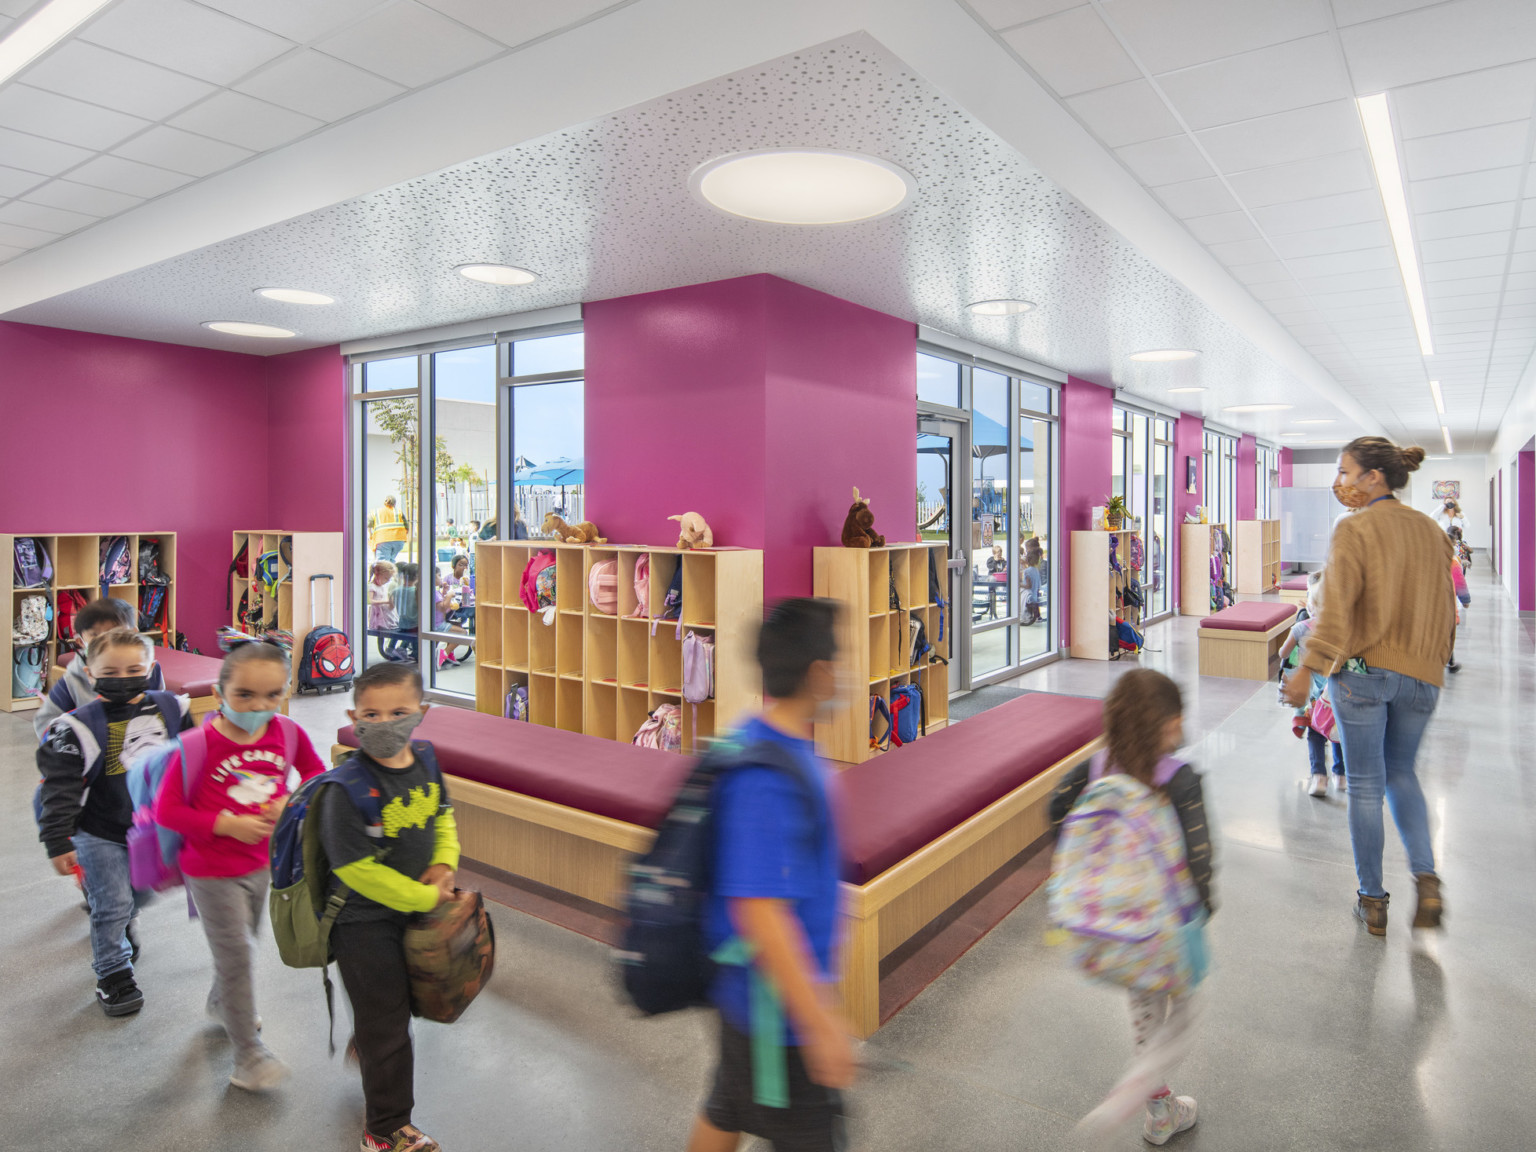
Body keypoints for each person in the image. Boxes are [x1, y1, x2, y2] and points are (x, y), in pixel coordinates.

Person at [688, 598, 853, 1152]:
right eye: (838, 659)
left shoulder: (776, 747)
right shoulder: (767, 773)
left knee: (725, 1109)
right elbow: (759, 910)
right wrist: (819, 1022)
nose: (844, 671)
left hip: (756, 1003)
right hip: (777, 1018)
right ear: (818, 674)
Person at [1283, 437, 1453, 937]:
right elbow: (1447, 609)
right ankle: (1426, 877)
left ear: (1373, 476)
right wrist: (1435, 660)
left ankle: (1372, 900)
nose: (1340, 482)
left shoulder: (1353, 529)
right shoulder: (1431, 530)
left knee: (1364, 786)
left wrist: (1305, 669)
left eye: (1344, 471)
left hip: (1361, 674)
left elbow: (1334, 612)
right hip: (1422, 675)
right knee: (1403, 774)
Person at [152, 641, 326, 1091]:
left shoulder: (287, 733)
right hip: (209, 869)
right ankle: (248, 1056)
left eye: (272, 694)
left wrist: (291, 799)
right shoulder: (196, 745)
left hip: (261, 865)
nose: (259, 706)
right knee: (240, 956)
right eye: (245, 695)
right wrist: (225, 823)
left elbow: (315, 775)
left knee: (239, 947)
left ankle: (220, 1001)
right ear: (219, 691)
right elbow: (167, 811)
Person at [1050, 669, 1212, 1147]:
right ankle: (1137, 1089)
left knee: (1145, 1011)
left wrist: (1088, 879)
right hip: (1169, 928)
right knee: (1184, 1017)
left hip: (1118, 930)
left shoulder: (1096, 769)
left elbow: (1056, 812)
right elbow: (1201, 858)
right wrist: (1201, 913)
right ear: (1167, 725)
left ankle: (1158, 1110)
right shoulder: (1178, 779)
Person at [324, 661, 460, 1152]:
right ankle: (385, 1130)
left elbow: (444, 817)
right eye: (371, 715)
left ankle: (371, 1032)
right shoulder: (346, 787)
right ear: (353, 716)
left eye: (398, 712)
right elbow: (356, 870)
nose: (384, 724)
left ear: (421, 713)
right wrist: (428, 896)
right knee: (390, 1029)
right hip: (361, 922)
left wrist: (445, 864)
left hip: (413, 912)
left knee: (396, 1007)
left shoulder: (426, 759)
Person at [36, 628, 193, 1015]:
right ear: (90, 673)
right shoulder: (75, 727)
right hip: (98, 830)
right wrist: (58, 841)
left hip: (150, 829)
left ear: (151, 669)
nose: (122, 677)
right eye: (110, 670)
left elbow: (190, 762)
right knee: (113, 903)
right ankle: (113, 975)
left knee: (139, 893)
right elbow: (59, 790)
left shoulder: (171, 708)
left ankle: (119, 917)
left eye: (133, 669)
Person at [34, 597, 166, 742]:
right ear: (81, 642)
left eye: (115, 632)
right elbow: (45, 722)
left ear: (133, 634)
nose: (106, 640)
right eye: (95, 635)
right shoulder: (74, 679)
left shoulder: (149, 669)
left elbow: (160, 709)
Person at [1276, 573, 1346, 797]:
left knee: (1315, 732)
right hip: (1335, 690)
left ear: (1310, 604)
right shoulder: (1342, 630)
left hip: (1313, 692)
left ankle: (1318, 777)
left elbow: (1283, 653)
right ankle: (1341, 775)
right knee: (1335, 731)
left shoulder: (1301, 628)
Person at [388, 563, 420, 663]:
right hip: (415, 625)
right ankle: (415, 652)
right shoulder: (416, 591)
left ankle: (396, 649)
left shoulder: (396, 590)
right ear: (417, 576)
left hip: (402, 623)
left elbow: (391, 606)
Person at [370, 559, 400, 659]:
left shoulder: (383, 586)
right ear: (377, 574)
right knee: (382, 633)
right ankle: (385, 649)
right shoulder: (373, 587)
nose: (387, 581)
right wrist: (385, 602)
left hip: (385, 611)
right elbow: (371, 601)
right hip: (379, 613)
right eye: (386, 578)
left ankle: (390, 649)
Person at [371, 495, 409, 563]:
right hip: (399, 541)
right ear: (394, 504)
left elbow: (368, 524)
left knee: (383, 563)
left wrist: (371, 537)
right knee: (391, 560)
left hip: (382, 540)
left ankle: (386, 572)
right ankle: (392, 572)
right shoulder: (398, 512)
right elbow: (407, 527)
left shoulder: (376, 512)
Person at [1022, 538, 1044, 625]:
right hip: (1036, 589)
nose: (1026, 551)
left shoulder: (1029, 569)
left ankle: (1026, 615)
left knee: (1023, 594)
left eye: (1027, 549)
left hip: (1032, 592)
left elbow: (1028, 585)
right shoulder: (1035, 567)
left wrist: (1019, 585)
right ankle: (1037, 615)